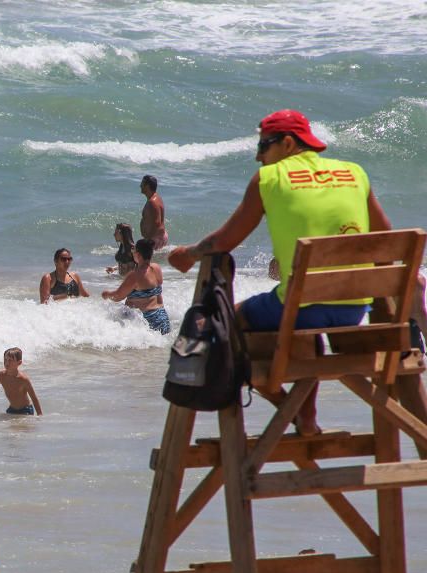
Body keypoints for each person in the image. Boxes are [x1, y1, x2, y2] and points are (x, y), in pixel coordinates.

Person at [168, 109, 392, 436]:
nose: (258, 157)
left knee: (231, 324)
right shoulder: (355, 173)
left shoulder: (270, 179)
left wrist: (189, 254)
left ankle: (293, 409)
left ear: (287, 144)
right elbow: (385, 237)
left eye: (263, 147)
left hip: (300, 309)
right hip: (355, 308)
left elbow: (226, 240)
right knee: (303, 321)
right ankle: (305, 414)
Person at [101, 239, 171, 334]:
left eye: (134, 251)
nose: (132, 253)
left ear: (138, 254)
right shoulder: (156, 268)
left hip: (147, 322)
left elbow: (117, 296)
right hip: (163, 318)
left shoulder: (135, 275)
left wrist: (106, 294)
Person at [0, 347, 43, 416]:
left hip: (26, 410)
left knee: (22, 426)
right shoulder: (1, 375)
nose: (7, 362)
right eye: (5, 359)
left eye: (10, 360)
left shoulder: (23, 379)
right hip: (12, 409)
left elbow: (34, 398)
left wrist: (40, 415)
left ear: (19, 363)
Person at [140, 175, 167, 250]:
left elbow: (157, 223)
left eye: (142, 183)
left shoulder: (152, 202)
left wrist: (148, 240)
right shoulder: (155, 198)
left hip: (155, 240)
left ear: (147, 186)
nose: (140, 186)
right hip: (158, 238)